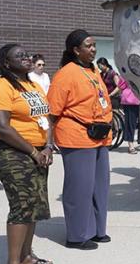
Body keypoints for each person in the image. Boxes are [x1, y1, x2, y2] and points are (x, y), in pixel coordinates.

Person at [0, 44, 54, 264]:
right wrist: (34, 151)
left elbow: (45, 117)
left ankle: (26, 258)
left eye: (27, 55)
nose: (26, 58)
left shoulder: (33, 85)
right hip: (11, 152)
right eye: (19, 56)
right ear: (6, 63)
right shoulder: (1, 88)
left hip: (37, 151)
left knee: (33, 205)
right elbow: (2, 128)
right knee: (22, 204)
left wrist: (48, 146)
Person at [48, 30, 113, 250]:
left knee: (99, 186)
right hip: (76, 137)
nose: (93, 49)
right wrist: (49, 143)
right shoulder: (66, 74)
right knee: (80, 187)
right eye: (88, 46)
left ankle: (96, 230)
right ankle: (77, 235)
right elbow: (53, 111)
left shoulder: (93, 70)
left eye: (94, 45)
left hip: (99, 136)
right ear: (76, 50)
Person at [116, 72, 140, 154]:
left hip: (137, 100)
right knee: (131, 123)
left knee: (132, 123)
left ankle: (134, 144)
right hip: (132, 100)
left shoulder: (126, 73)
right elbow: (121, 86)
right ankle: (131, 145)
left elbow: (121, 86)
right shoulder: (127, 73)